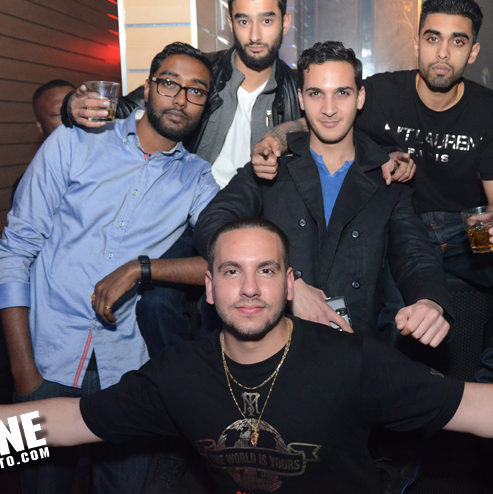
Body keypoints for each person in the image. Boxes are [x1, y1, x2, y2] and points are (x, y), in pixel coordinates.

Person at [0, 218, 493, 494]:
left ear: (288, 283)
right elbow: (70, 423)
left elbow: (481, 407)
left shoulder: (351, 361)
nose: (249, 287)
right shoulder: (177, 374)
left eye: (266, 270)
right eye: (232, 272)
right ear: (208, 288)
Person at [252, 0, 493, 387]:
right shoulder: (381, 92)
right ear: (417, 43)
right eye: (433, 38)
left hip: (461, 232)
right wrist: (272, 141)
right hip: (400, 227)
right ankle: (392, 394)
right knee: (396, 301)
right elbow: (320, 119)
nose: (442, 52)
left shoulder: (488, 107)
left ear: (473, 51)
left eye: (457, 41)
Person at [0, 42, 219, 493]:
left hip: (126, 371)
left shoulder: (197, 178)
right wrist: (23, 373)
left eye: (196, 91)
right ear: (147, 88)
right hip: (47, 358)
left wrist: (141, 268)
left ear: (205, 104)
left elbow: (225, 263)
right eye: (170, 84)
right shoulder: (74, 141)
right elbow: (15, 250)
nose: (180, 99)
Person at [193, 41, 451, 346]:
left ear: (360, 97)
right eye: (316, 94)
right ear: (301, 99)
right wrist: (289, 285)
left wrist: (430, 302)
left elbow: (414, 254)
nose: (329, 109)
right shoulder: (271, 166)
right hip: (272, 346)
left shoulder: (387, 179)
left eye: (342, 93)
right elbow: (212, 223)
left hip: (354, 349)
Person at [63, 0, 302, 189]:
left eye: (266, 21)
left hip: (260, 213)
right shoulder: (202, 72)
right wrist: (75, 106)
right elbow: (130, 108)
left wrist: (288, 131)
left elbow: (321, 122)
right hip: (189, 205)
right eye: (244, 21)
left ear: (285, 23)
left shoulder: (298, 88)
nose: (255, 35)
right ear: (231, 23)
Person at [0, 79, 76, 399]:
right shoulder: (31, 183)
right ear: (40, 127)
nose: (71, 118)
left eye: (75, 107)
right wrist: (24, 377)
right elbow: (16, 254)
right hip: (43, 294)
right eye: (59, 114)